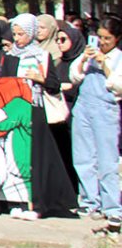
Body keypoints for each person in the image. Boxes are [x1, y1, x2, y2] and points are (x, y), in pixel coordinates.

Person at [0, 14, 76, 220]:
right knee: (17, 157)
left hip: (36, 111)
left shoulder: (42, 56)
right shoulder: (11, 56)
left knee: (38, 158)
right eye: (14, 34)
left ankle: (39, 204)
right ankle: (19, 201)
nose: (17, 38)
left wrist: (39, 79)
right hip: (17, 111)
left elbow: (53, 85)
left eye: (21, 34)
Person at [69, 16, 122, 227]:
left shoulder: (118, 58)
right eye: (99, 37)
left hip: (106, 110)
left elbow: (118, 86)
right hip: (84, 106)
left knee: (107, 160)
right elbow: (75, 76)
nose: (102, 42)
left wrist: (105, 66)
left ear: (117, 38)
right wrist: (83, 59)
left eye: (107, 38)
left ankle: (113, 207)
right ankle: (90, 200)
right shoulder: (90, 54)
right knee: (83, 156)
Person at [51, 21, 85, 192]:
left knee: (77, 154)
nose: (59, 43)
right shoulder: (58, 63)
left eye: (63, 39)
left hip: (75, 113)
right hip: (59, 114)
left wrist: (64, 87)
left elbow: (77, 87)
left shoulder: (81, 63)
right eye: (57, 40)